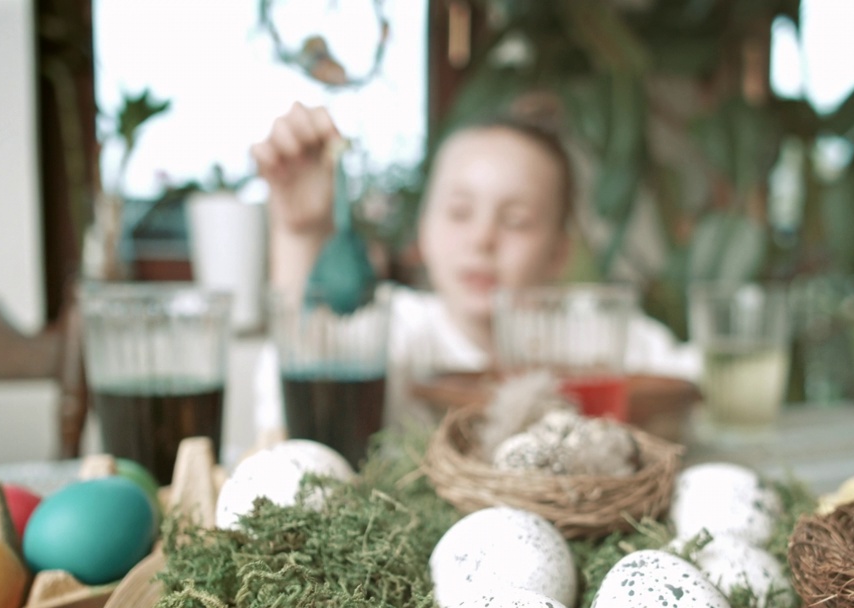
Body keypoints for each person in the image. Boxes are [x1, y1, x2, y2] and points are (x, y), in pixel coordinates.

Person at [249, 102, 698, 443]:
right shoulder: (404, 329)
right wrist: (300, 230)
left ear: (559, 251)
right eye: (460, 212)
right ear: (423, 232)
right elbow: (298, 382)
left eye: (517, 220)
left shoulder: (598, 341)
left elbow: (694, 379)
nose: (483, 239)